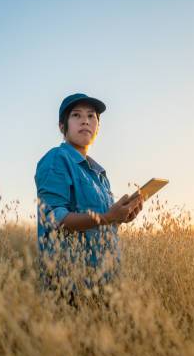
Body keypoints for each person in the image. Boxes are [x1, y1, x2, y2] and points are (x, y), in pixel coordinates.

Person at [35, 93, 143, 307]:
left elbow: (102, 223)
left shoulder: (99, 173)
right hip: (70, 283)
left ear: (98, 127)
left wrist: (122, 217)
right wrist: (107, 216)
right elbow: (55, 218)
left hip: (105, 280)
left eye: (91, 116)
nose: (85, 120)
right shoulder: (57, 159)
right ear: (62, 126)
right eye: (76, 115)